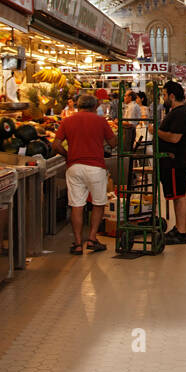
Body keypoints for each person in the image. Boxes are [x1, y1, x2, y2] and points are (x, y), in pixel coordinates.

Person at [55, 93, 116, 255]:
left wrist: (68, 155)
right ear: (95, 107)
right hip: (96, 167)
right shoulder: (100, 121)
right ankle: (91, 238)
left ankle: (77, 243)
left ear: (78, 105)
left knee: (77, 204)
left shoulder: (67, 121)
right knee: (98, 203)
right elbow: (113, 142)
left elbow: (56, 144)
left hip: (74, 167)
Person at [155, 81, 186, 245]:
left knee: (179, 196)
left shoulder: (180, 113)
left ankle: (182, 232)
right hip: (175, 159)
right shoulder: (177, 112)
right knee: (178, 195)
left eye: (164, 95)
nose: (163, 98)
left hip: (176, 160)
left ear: (171, 96)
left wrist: (155, 131)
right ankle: (178, 229)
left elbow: (174, 137)